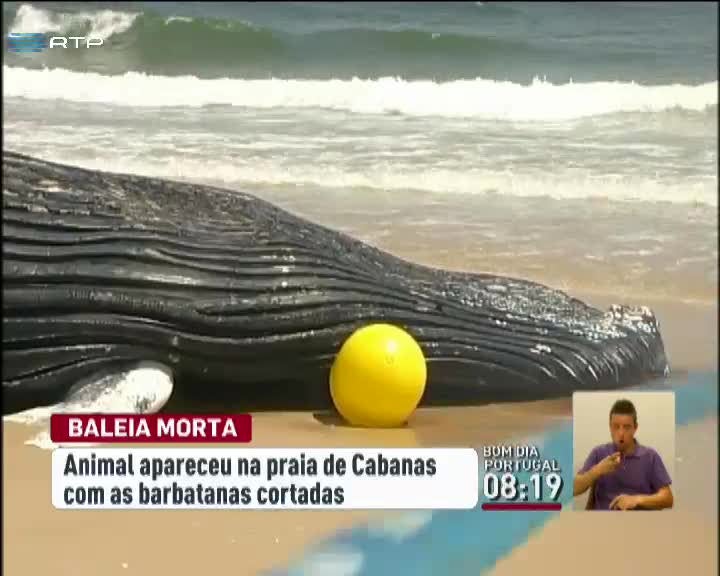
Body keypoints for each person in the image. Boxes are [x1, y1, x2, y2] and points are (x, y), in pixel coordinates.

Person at [573, 398, 673, 511]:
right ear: (610, 427)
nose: (621, 433)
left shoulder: (650, 456)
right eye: (616, 427)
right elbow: (574, 489)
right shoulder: (599, 453)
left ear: (635, 428)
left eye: (627, 427)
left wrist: (636, 500)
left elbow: (668, 498)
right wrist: (597, 470)